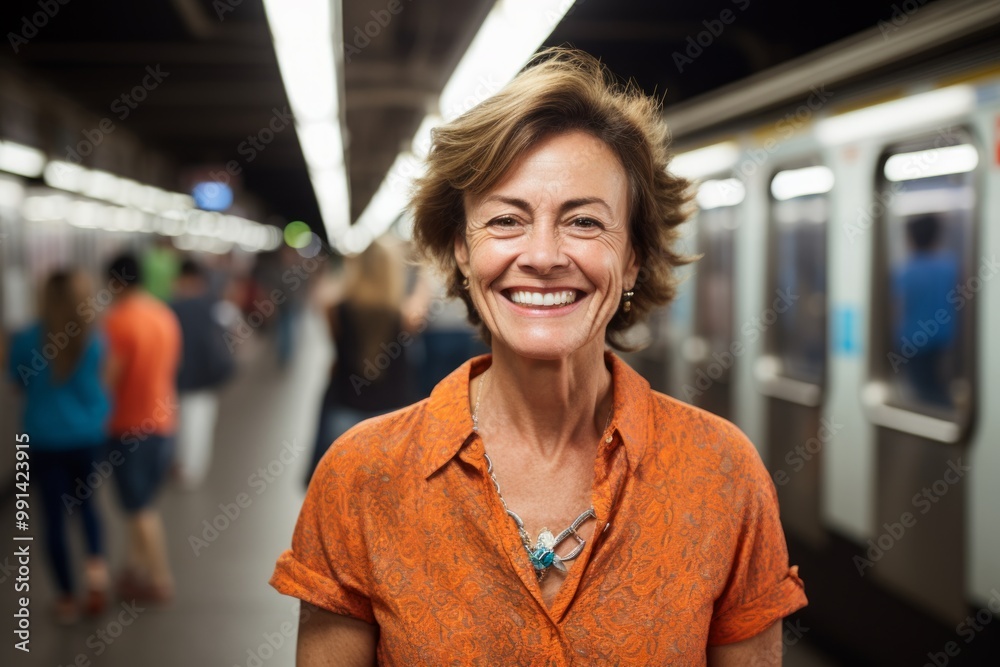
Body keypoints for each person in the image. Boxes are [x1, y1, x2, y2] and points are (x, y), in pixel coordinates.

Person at [271, 48, 807, 665]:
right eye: (506, 220)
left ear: (632, 255)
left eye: (583, 222)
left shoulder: (722, 475)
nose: (544, 254)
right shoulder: (362, 478)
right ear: (462, 251)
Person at [6, 271, 111, 623]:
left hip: (43, 439)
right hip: (87, 437)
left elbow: (17, 380)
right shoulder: (95, 337)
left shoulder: (27, 339)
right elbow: (101, 378)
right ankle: (96, 580)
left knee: (53, 519)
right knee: (89, 509)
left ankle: (66, 598)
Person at [304, 240, 418, 485]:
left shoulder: (335, 310)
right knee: (384, 497)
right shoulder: (404, 316)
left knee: (339, 494)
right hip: (391, 417)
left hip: (345, 412)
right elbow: (423, 301)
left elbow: (323, 295)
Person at [103, 253, 181, 604]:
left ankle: (159, 579)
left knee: (138, 508)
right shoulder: (163, 313)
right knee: (144, 502)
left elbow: (110, 379)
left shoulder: (118, 321)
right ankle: (134, 568)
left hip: (129, 426)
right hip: (164, 422)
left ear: (116, 282)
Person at [170, 258, 236, 489]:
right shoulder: (216, 306)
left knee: (182, 424)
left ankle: (182, 467)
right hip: (207, 378)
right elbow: (234, 335)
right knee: (199, 425)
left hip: (180, 377)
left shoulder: (173, 308)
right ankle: (191, 471)